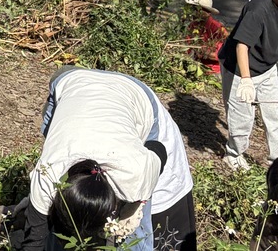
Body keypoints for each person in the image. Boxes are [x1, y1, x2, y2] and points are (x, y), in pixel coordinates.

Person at [22, 68, 196, 251]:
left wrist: (137, 204)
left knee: (134, 236)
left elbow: (159, 148)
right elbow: (33, 242)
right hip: (70, 83)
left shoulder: (135, 171)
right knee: (51, 237)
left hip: (134, 96)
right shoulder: (46, 180)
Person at [220, 0, 278, 171]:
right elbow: (242, 46)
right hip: (240, 68)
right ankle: (233, 155)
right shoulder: (258, 10)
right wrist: (246, 80)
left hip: (268, 67)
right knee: (242, 118)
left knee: (275, 115)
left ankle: (276, 161)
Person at [185, 0, 228, 75]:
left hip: (213, 70)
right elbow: (188, 45)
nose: (194, 13)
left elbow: (223, 55)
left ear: (206, 12)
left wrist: (203, 52)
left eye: (197, 10)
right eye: (194, 9)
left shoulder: (218, 29)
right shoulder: (193, 25)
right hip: (196, 65)